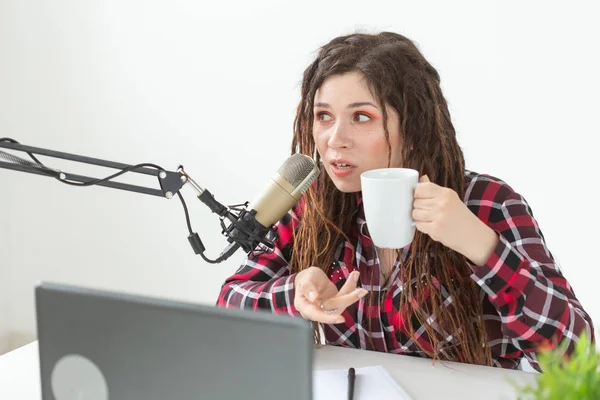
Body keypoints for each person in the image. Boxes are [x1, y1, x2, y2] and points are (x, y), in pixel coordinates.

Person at [216, 31, 594, 371]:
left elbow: (576, 355)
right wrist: (294, 293)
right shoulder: (314, 208)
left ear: (412, 128)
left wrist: (483, 247)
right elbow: (228, 307)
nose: (334, 139)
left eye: (361, 117)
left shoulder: (487, 203)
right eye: (324, 116)